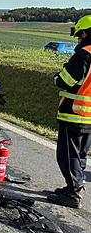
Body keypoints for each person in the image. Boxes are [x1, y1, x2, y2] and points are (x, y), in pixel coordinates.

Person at [49, 15, 91, 208]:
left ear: (85, 32)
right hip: (89, 118)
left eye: (79, 36)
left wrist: (57, 77)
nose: (78, 40)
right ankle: (73, 186)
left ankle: (73, 193)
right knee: (80, 154)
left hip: (75, 113)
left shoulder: (84, 54)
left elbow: (66, 80)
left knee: (67, 154)